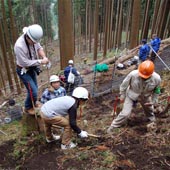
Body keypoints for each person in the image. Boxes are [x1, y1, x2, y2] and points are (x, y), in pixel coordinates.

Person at [107, 60, 161, 134]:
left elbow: (157, 91)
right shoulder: (133, 74)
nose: (143, 78)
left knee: (149, 110)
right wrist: (122, 95)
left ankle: (152, 121)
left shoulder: (157, 79)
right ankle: (113, 126)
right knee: (125, 113)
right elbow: (124, 85)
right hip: (131, 95)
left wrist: (154, 101)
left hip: (145, 97)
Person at [14, 24, 49, 115]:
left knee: (34, 89)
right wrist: (41, 61)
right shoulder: (19, 46)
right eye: (33, 41)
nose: (34, 43)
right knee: (33, 91)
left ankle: (33, 103)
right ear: (28, 37)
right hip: (23, 70)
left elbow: (39, 48)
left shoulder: (33, 38)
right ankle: (27, 107)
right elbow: (25, 62)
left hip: (32, 68)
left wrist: (44, 57)